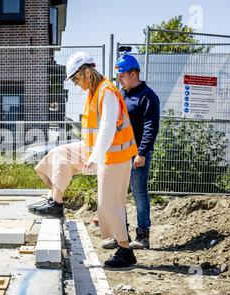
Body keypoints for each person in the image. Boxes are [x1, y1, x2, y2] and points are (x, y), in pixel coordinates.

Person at [29, 51, 139, 268]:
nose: (77, 84)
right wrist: (93, 153)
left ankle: (126, 251)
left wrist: (96, 156)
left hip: (115, 156)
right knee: (59, 155)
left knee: (109, 204)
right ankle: (55, 203)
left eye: (77, 79)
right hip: (94, 149)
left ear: (87, 72)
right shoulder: (93, 91)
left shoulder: (107, 91)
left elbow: (107, 128)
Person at [100, 52, 160, 250]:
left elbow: (151, 127)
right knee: (118, 195)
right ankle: (120, 236)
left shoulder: (148, 97)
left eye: (122, 76)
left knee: (139, 192)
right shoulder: (122, 95)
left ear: (134, 74)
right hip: (120, 153)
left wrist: (142, 153)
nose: (120, 80)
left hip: (137, 155)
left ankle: (143, 236)